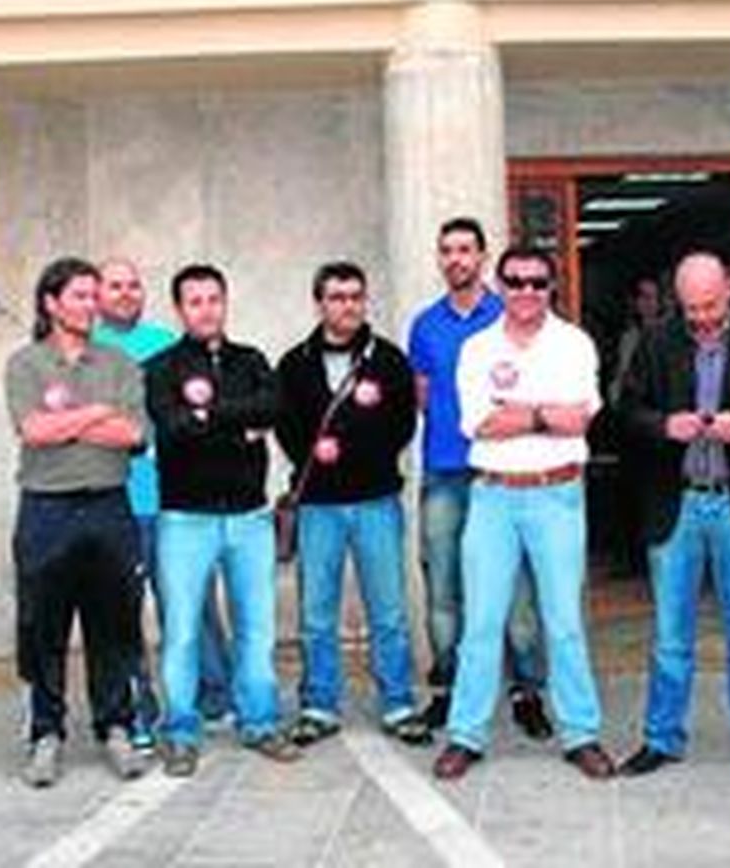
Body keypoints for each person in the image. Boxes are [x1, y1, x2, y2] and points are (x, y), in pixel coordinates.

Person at [617, 253, 730, 787]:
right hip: (675, 504)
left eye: (710, 306)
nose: (700, 318)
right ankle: (661, 739)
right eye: (690, 308)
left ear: (729, 290)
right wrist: (663, 426)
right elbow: (623, 414)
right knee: (670, 635)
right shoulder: (655, 343)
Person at [432, 246, 615, 782]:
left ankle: (581, 734)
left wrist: (521, 413)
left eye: (537, 282)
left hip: (557, 496)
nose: (527, 292)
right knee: (482, 622)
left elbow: (579, 420)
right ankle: (466, 735)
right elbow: (479, 425)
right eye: (515, 282)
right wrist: (545, 413)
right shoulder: (476, 348)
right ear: (501, 284)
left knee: (563, 623)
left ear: (551, 286)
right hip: (493, 497)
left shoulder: (574, 344)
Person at [147, 264, 302, 777]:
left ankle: (259, 722)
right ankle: (181, 731)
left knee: (257, 630)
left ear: (225, 303)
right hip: (185, 521)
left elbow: (272, 408)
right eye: (195, 301)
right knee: (183, 632)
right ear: (179, 309)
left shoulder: (252, 359)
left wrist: (209, 417)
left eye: (214, 299)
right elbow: (170, 430)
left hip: (249, 520)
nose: (206, 309)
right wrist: (238, 425)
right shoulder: (161, 367)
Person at [5, 257, 150, 788]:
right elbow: (34, 430)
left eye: (95, 296)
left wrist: (72, 423)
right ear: (51, 303)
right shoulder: (25, 364)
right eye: (81, 296)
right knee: (42, 626)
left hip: (110, 507)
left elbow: (134, 435)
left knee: (114, 624)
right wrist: (96, 413)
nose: (93, 305)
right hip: (47, 510)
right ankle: (46, 733)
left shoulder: (118, 362)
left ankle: (116, 726)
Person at [275, 262, 431, 748]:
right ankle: (319, 704)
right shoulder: (295, 362)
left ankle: (399, 702)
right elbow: (285, 421)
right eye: (337, 297)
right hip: (319, 505)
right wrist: (309, 453)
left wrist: (364, 454)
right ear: (319, 303)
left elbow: (403, 423)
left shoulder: (387, 359)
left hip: (376, 500)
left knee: (387, 611)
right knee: (317, 613)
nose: (348, 305)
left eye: (355, 297)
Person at [407, 218, 549, 738]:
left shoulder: (508, 316)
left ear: (483, 257)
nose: (456, 259)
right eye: (447, 250)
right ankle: (447, 689)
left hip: (502, 470)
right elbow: (423, 395)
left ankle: (527, 692)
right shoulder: (425, 325)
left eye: (465, 249)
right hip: (444, 471)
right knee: (444, 586)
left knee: (517, 592)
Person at [92, 257, 233, 748]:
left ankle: (217, 697)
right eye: (115, 286)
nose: (126, 293)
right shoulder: (84, 351)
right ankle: (138, 708)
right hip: (116, 505)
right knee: (122, 615)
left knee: (193, 607)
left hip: (177, 502)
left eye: (134, 286)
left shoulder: (168, 347)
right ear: (97, 293)